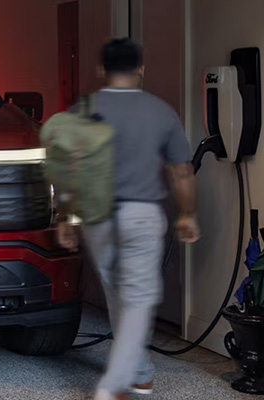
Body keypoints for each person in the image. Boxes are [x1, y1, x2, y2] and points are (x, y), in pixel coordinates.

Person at [55, 38, 200, 400]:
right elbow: (181, 171)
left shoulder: (82, 111)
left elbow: (68, 170)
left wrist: (65, 217)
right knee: (136, 297)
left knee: (120, 295)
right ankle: (117, 382)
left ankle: (138, 372)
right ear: (141, 69)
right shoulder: (161, 111)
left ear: (101, 71)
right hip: (141, 215)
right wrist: (187, 214)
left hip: (98, 216)